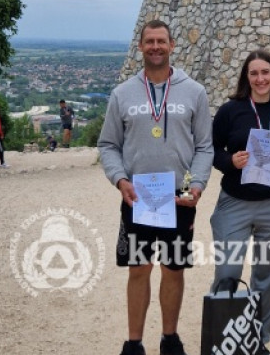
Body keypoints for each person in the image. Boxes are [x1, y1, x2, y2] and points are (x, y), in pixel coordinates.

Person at [97, 19, 213, 355]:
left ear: (172, 45)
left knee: (173, 270)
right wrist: (120, 180)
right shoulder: (122, 94)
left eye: (161, 41)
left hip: (178, 198)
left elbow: (205, 146)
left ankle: (170, 338)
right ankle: (134, 343)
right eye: (149, 41)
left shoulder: (194, 91)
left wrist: (199, 185)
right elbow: (107, 145)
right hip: (138, 197)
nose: (155, 47)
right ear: (141, 47)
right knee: (138, 269)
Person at [210, 49, 270, 355]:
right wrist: (230, 160)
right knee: (228, 271)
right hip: (235, 201)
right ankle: (224, 338)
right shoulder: (231, 110)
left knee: (267, 274)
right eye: (254, 73)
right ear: (247, 77)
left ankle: (258, 339)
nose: (260, 79)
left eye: (265, 72)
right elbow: (211, 150)